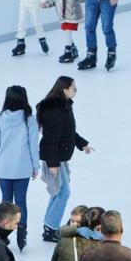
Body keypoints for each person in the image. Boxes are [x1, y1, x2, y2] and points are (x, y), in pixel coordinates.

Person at [37, 76, 93, 243]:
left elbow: (69, 132)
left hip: (59, 157)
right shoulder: (56, 111)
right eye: (73, 88)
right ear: (64, 90)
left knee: (58, 192)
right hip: (55, 158)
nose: (75, 91)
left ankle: (49, 226)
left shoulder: (64, 107)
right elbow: (50, 139)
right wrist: (53, 163)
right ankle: (50, 228)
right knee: (63, 192)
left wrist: (83, 145)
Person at [0, 85, 39, 252]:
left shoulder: (0, 119)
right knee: (21, 201)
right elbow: (33, 146)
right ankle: (21, 232)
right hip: (22, 168)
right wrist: (35, 166)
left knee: (6, 201)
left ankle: (2, 233)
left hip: (5, 168)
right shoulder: (29, 120)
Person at [51, 0, 84, 64]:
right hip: (64, 16)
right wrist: (46, 4)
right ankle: (74, 50)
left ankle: (68, 52)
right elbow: (56, 1)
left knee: (68, 33)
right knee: (66, 34)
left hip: (73, 16)